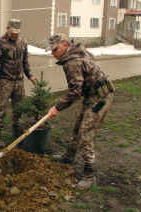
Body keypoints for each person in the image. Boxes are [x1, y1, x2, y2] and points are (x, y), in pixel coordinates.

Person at [46, 34, 115, 190]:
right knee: (78, 126)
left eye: (55, 49)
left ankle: (89, 174)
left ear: (64, 45)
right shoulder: (77, 50)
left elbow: (75, 91)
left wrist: (57, 107)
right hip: (92, 95)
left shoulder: (72, 62)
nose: (53, 53)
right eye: (51, 50)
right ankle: (68, 157)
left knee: (86, 133)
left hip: (101, 97)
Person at [0, 19, 36, 147]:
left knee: (19, 108)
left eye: (17, 33)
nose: (14, 35)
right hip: (4, 81)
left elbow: (25, 62)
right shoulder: (0, 43)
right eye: (12, 32)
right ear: (7, 29)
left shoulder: (23, 42)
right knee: (1, 109)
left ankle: (16, 132)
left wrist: (30, 76)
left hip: (19, 82)